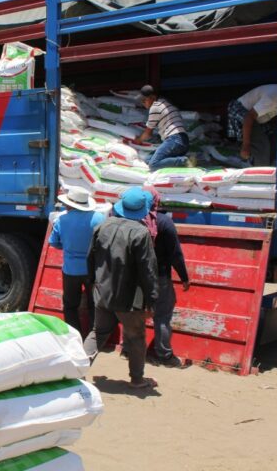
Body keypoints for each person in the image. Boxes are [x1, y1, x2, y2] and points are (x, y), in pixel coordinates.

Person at [83, 187, 159, 389]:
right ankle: (137, 379)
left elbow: (90, 258)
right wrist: (152, 300)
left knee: (97, 332)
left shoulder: (102, 226)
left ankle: (76, 372)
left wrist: (91, 283)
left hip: (103, 292)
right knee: (136, 337)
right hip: (129, 299)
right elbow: (148, 271)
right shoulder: (141, 233)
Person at [142, 186, 190, 368]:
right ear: (156, 201)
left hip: (136, 277)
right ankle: (164, 355)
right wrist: (184, 277)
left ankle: (130, 350)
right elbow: (175, 253)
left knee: (135, 314)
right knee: (162, 315)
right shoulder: (164, 223)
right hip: (160, 276)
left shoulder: (131, 221)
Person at [48, 187, 105, 334]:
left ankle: (75, 334)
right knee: (94, 304)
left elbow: (53, 242)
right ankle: (93, 337)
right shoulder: (100, 219)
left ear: (70, 204)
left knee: (70, 305)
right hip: (92, 270)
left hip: (71, 270)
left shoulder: (62, 220)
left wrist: (66, 246)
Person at [134, 85, 192, 171]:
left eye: (144, 100)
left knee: (153, 165)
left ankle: (184, 161)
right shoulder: (165, 103)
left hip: (174, 140)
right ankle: (181, 159)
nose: (143, 103)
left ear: (152, 97)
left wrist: (137, 141)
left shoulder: (155, 107)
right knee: (148, 160)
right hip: (183, 141)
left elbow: (148, 133)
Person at [226, 84, 277, 166]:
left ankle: (266, 168)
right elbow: (249, 117)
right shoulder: (274, 97)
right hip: (243, 111)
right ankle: (261, 175)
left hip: (255, 118)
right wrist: (245, 146)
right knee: (261, 145)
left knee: (272, 137)